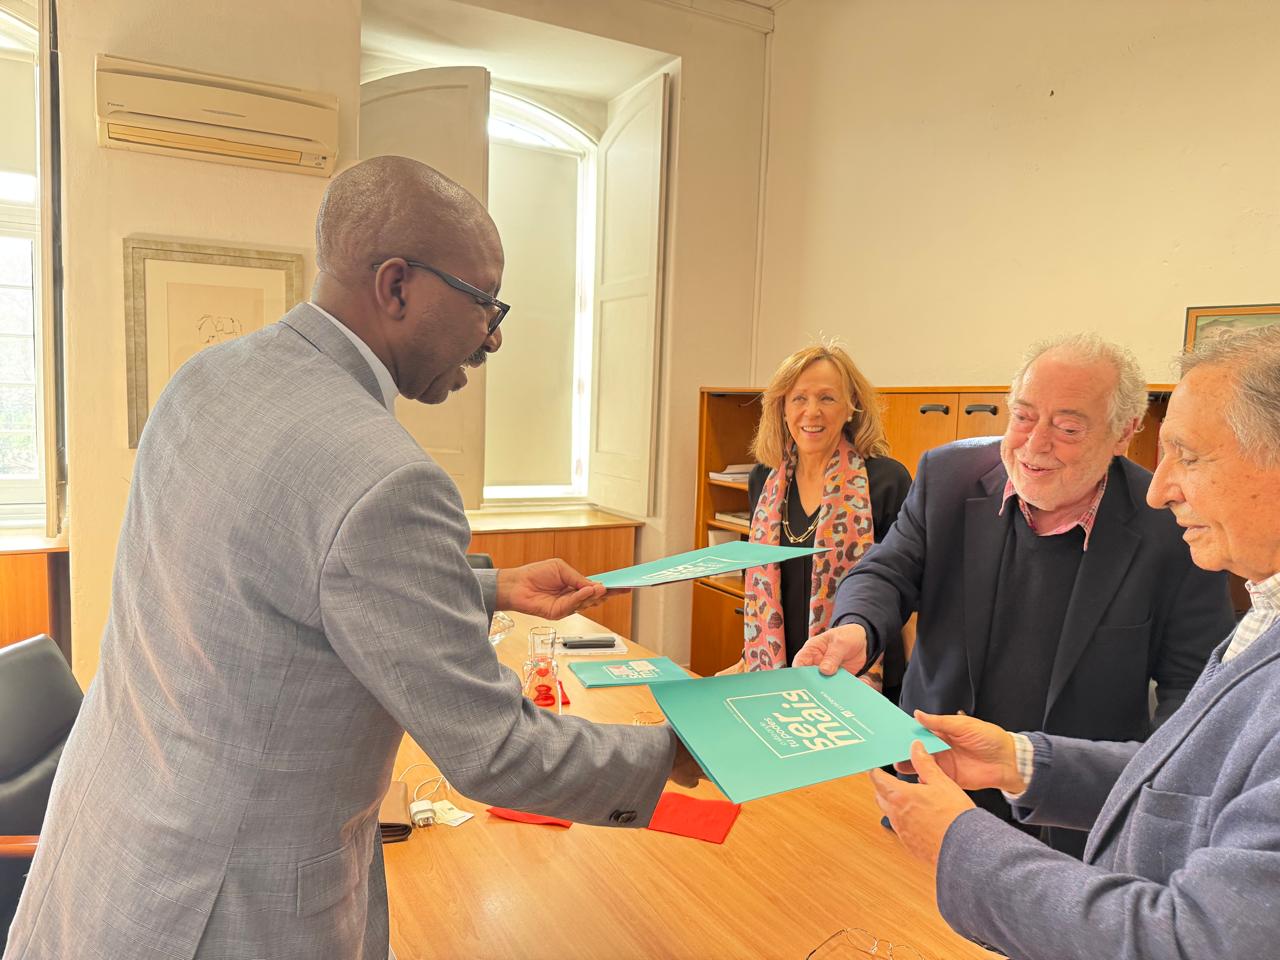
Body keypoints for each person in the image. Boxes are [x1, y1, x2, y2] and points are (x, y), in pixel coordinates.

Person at [3, 157, 699, 960]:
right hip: (229, 912)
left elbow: (274, 577)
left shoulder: (209, 377)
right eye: (483, 302)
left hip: (109, 852)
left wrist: (492, 585)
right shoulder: (387, 476)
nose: (494, 335)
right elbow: (497, 751)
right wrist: (678, 749)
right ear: (397, 285)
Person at [868, 325, 1280, 960]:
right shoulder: (1263, 609)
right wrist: (1020, 760)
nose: (1158, 488)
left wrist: (960, 844)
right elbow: (1198, 772)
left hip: (1073, 879)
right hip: (971, 823)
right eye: (1024, 417)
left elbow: (1193, 940)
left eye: (1189, 456)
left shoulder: (1171, 543)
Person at [796, 334, 1235, 854]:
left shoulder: (1172, 526)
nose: (1034, 445)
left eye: (1068, 428)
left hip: (1068, 823)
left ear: (1125, 432)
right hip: (932, 781)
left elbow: (1195, 691)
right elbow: (888, 570)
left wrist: (1159, 814)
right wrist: (857, 628)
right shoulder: (948, 475)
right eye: (1023, 417)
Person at [726, 345, 909, 681]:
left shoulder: (887, 481)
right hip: (779, 666)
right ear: (781, 407)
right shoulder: (762, 479)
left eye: (827, 398)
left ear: (851, 406)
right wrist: (747, 659)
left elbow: (906, 589)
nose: (812, 412)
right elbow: (761, 586)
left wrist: (919, 685)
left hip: (859, 670)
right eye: (799, 398)